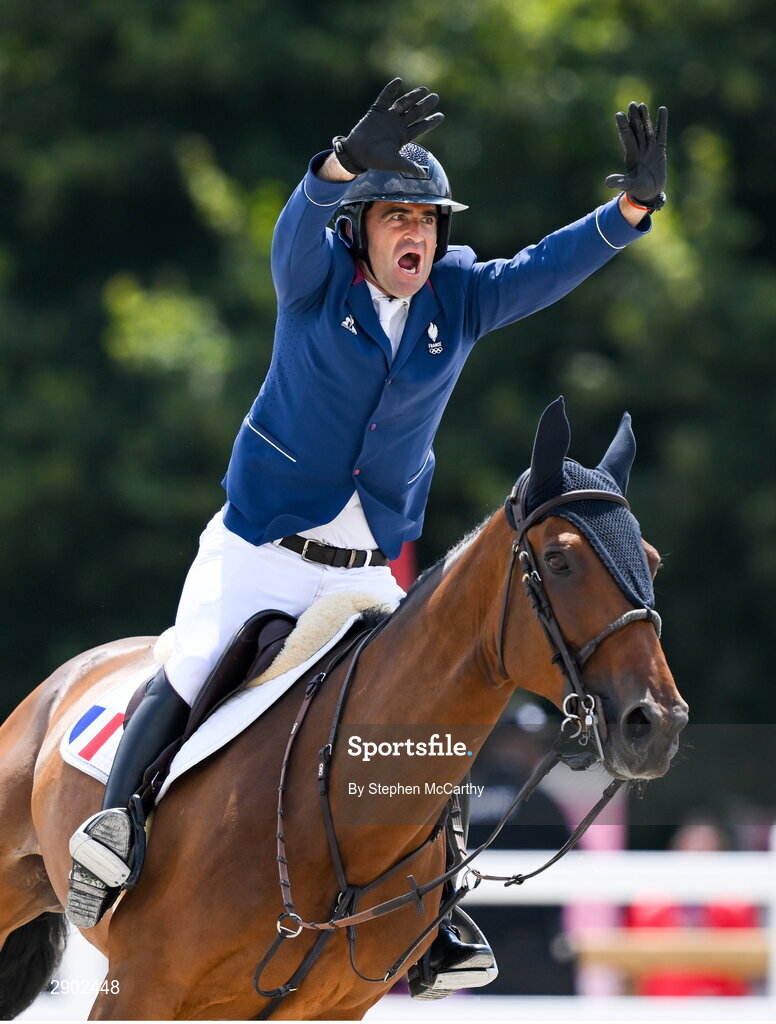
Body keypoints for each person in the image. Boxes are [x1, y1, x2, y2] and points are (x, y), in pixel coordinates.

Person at [65, 78, 668, 996]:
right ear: (360, 231)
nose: (415, 233)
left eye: (426, 219)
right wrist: (342, 163)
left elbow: (543, 267)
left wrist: (627, 213)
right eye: (396, 217)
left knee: (424, 719)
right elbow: (294, 226)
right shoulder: (314, 284)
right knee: (193, 666)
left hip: (366, 566)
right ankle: (116, 830)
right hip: (265, 548)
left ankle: (436, 908)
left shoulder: (456, 297)